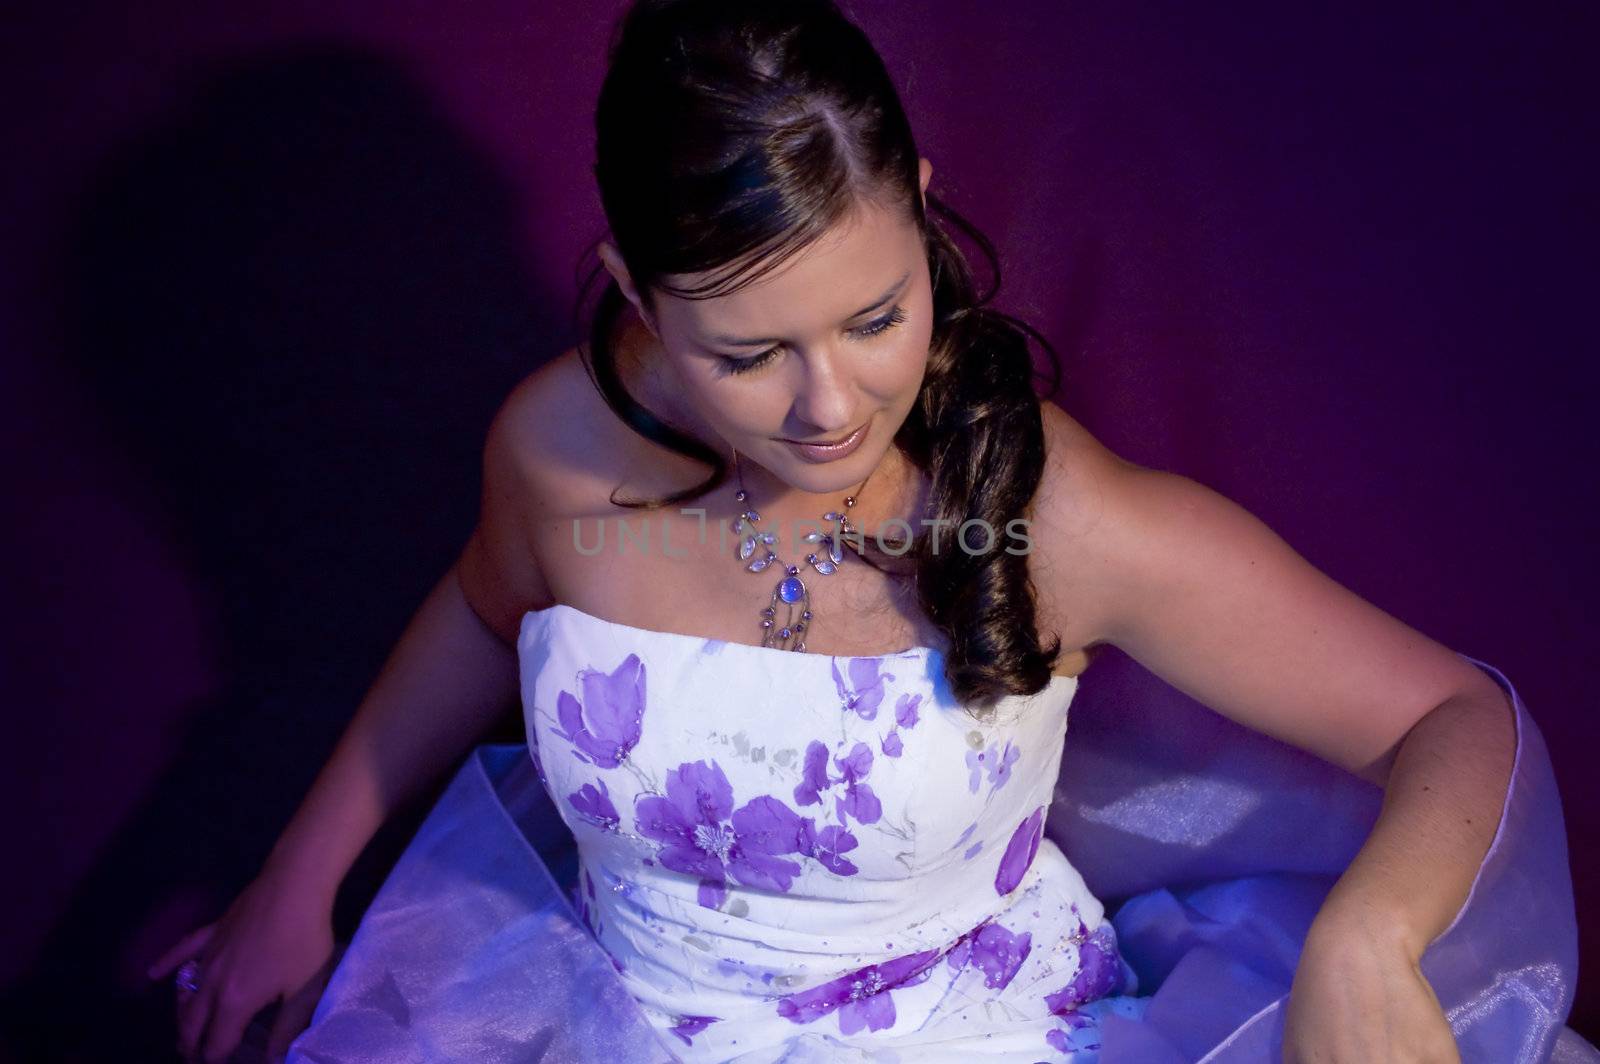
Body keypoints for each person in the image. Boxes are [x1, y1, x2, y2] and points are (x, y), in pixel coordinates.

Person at [148, 1, 1592, 1061]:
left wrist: (1368, 934)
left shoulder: (1048, 513)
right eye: (745, 353)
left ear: (920, 218)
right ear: (636, 297)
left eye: (877, 315)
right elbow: (480, 613)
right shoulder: (554, 452)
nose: (828, 405)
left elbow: (1454, 716)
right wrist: (302, 870)